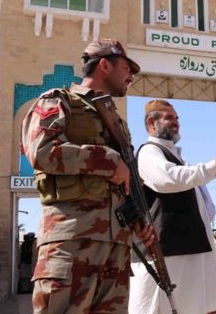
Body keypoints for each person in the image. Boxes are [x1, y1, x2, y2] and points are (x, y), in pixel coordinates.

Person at [21, 39, 156, 313]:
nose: (131, 76)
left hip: (116, 250)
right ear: (104, 65)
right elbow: (41, 150)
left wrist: (139, 218)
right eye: (127, 67)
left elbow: (126, 180)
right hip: (72, 242)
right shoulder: (59, 100)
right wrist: (107, 159)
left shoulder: (119, 124)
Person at [129, 99, 216, 314]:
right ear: (151, 123)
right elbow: (168, 179)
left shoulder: (178, 157)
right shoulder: (149, 151)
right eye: (169, 118)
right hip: (164, 251)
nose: (176, 122)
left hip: (188, 249)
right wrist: (214, 169)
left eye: (177, 118)